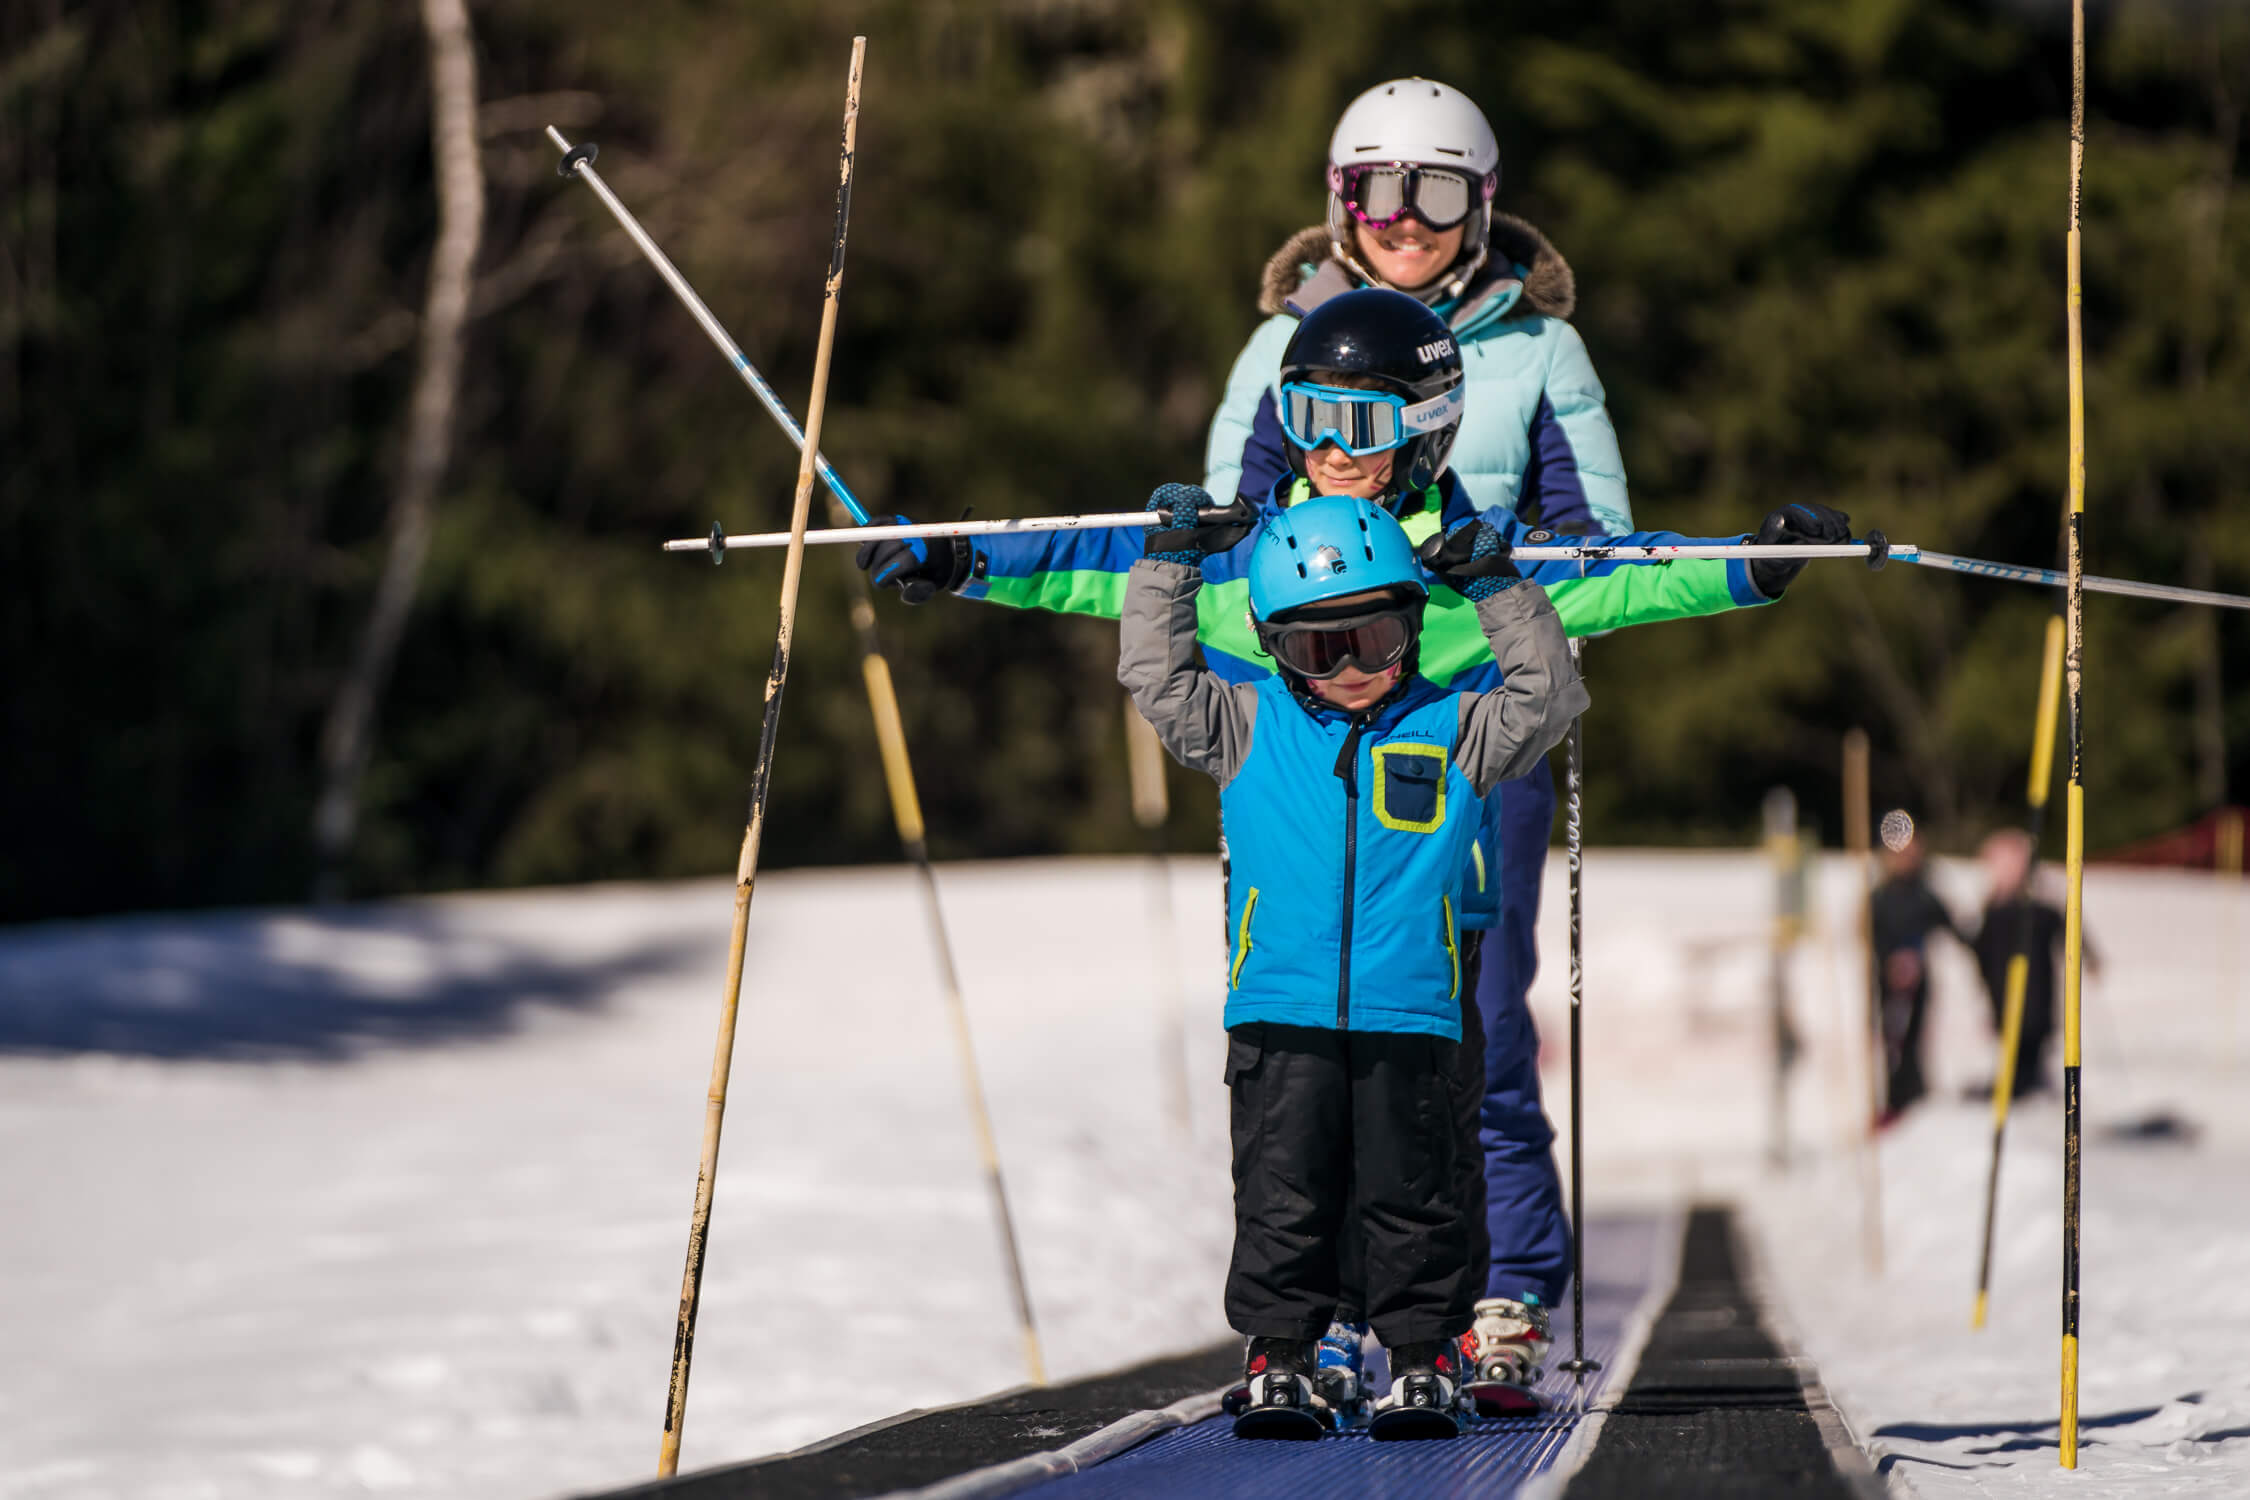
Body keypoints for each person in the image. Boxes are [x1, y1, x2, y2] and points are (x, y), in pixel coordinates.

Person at [858, 286, 1853, 1410]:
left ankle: (1486, 1305)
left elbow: (1623, 573)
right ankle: (1320, 1323)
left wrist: (1750, 566)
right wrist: (959, 558)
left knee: (1469, 1095)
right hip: (1306, 909)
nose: (1333, 449)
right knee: (1306, 1125)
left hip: (1437, 892)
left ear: (1427, 427)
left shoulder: (1476, 562)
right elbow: (1098, 563)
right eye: (1311, 415)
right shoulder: (1259, 554)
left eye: (1365, 426)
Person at [1119, 488, 1586, 1437]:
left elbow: (1549, 696)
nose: (1349, 671)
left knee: (1414, 1202)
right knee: (1284, 1197)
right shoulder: (1246, 724)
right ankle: (1282, 1356)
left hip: (1412, 1017)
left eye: (1372, 641)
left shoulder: (1454, 729)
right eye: (1315, 649)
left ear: (1412, 626)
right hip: (1279, 1016)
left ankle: (1421, 1360)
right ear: (1269, 644)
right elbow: (1157, 678)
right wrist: (1168, 562)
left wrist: (1499, 587)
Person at [1969, 829, 2099, 1099]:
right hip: (2006, 997)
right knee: (2016, 1048)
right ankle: (2018, 1086)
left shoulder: (2038, 911)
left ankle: (2024, 1086)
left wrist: (2089, 956)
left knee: (2028, 1047)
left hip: (2033, 999)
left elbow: (2070, 930)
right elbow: (1979, 951)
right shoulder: (1996, 913)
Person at [1870, 826, 1963, 1121]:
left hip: (1919, 982)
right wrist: (1891, 961)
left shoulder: (1925, 895)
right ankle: (1894, 1101)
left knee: (1914, 1041)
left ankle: (1914, 1097)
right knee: (1892, 1042)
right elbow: (1870, 935)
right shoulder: (1879, 897)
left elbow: (1957, 930)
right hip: (1888, 984)